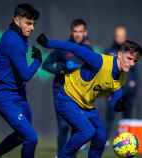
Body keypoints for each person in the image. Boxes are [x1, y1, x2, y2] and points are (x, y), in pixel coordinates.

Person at [37, 34, 142, 158]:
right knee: (86, 131)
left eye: (135, 60)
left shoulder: (122, 76)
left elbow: (117, 92)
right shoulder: (99, 61)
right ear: (119, 54)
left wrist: (118, 102)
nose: (132, 63)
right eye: (129, 58)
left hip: (86, 105)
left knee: (101, 137)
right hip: (67, 98)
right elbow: (73, 47)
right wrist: (48, 43)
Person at [0, 3, 41, 158]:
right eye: (28, 23)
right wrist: (37, 61)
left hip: (18, 94)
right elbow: (26, 75)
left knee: (23, 135)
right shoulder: (13, 40)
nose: (32, 27)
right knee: (31, 137)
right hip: (4, 95)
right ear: (16, 20)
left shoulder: (18, 37)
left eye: (33, 23)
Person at [42, 19, 92, 154]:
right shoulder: (63, 47)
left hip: (78, 93)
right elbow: (46, 65)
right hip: (61, 90)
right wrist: (61, 69)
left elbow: (94, 70)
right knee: (64, 126)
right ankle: (61, 154)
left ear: (85, 33)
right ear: (71, 32)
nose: (78, 34)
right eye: (75, 31)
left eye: (81, 32)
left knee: (77, 128)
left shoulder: (88, 50)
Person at [104, 25, 139, 144]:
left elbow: (135, 71)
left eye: (122, 36)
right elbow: (104, 72)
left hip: (127, 91)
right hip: (114, 90)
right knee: (110, 116)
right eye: (118, 35)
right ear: (114, 37)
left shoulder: (131, 52)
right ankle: (105, 140)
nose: (120, 38)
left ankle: (126, 141)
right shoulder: (109, 52)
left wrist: (133, 85)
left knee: (127, 118)